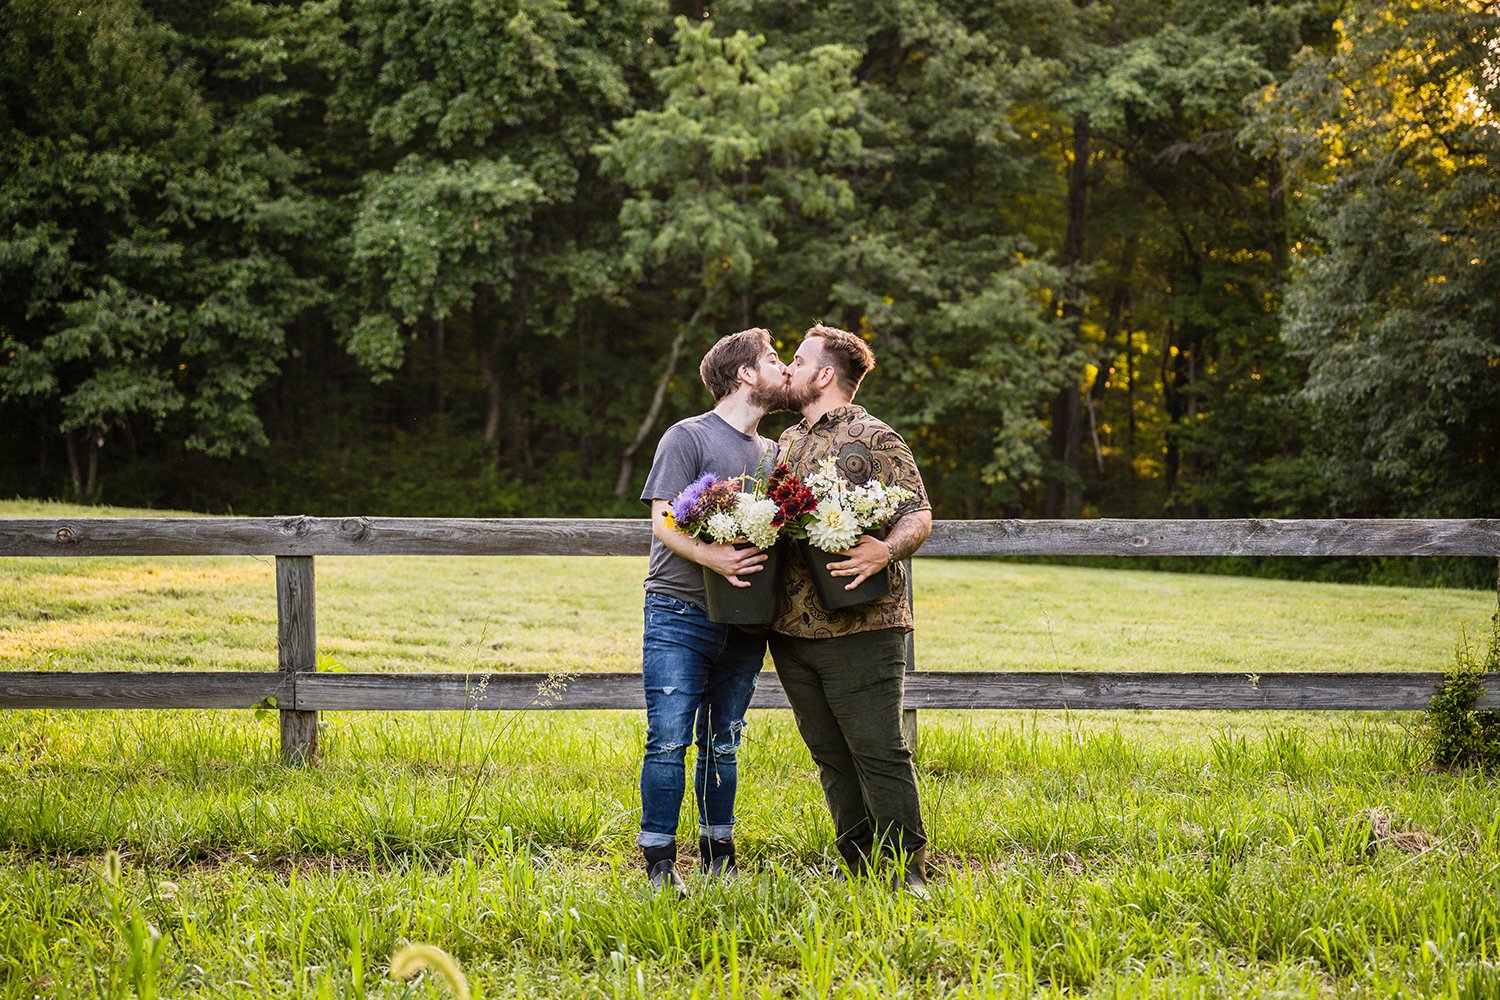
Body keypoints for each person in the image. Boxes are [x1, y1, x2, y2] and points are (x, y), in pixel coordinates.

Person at [769, 323, 933, 895]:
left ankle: (908, 868)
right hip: (791, 628)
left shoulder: (877, 437)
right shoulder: (786, 443)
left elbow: (918, 513)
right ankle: (859, 865)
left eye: (797, 359)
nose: (787, 368)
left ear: (824, 374)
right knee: (830, 755)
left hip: (865, 624)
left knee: (879, 748)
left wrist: (885, 549)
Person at [636, 327, 789, 893]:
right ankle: (658, 863)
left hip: (746, 619)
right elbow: (665, 521)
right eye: (774, 359)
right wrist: (715, 559)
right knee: (669, 738)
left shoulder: (773, 453)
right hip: (678, 609)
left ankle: (718, 854)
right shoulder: (687, 436)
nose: (783, 369)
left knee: (724, 737)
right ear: (745, 374)